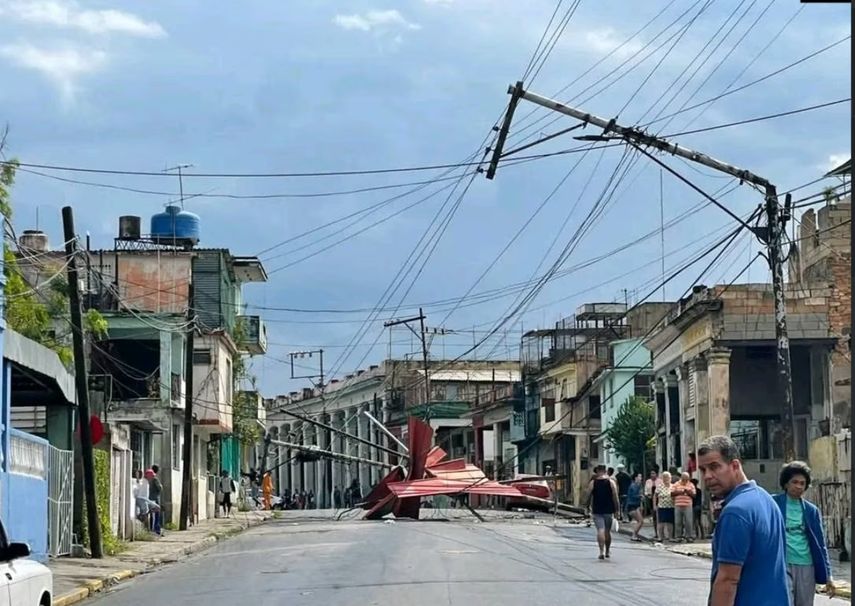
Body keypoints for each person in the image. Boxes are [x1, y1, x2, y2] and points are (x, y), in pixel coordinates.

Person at [698, 435, 789, 606]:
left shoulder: (735, 512)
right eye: (703, 470)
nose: (707, 476)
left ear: (735, 465)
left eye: (714, 467)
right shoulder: (766, 499)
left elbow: (727, 581)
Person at [773, 461, 836, 605]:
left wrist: (828, 575)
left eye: (802, 483)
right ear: (786, 483)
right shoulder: (773, 503)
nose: (798, 486)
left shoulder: (811, 510)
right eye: (794, 482)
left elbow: (820, 544)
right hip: (782, 563)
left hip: (806, 565)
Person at [586, 464, 620, 560]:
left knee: (600, 529)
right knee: (607, 531)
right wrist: (617, 509)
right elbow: (615, 496)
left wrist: (586, 506)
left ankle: (601, 551)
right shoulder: (611, 482)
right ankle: (608, 551)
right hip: (609, 509)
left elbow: (587, 495)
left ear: (597, 471)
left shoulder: (593, 482)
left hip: (597, 509)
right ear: (605, 471)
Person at [672, 472, 696, 542]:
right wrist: (680, 492)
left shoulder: (691, 484)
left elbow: (694, 495)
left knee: (688, 521)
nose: (685, 481)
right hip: (678, 505)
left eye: (686, 479)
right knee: (678, 522)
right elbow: (671, 493)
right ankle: (678, 537)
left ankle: (689, 536)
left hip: (688, 505)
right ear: (681, 478)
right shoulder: (676, 484)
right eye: (684, 479)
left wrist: (688, 492)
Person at [654, 471, 675, 542]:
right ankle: (660, 537)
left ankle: (670, 537)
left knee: (670, 522)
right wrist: (654, 505)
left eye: (668, 477)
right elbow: (655, 496)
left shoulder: (673, 486)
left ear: (670, 478)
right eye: (664, 477)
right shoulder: (659, 486)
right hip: (661, 506)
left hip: (671, 506)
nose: (666, 479)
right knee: (661, 522)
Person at [625, 472, 644, 541]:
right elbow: (633, 496)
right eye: (640, 476)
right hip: (632, 506)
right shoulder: (633, 486)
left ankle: (635, 535)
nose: (641, 478)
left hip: (635, 506)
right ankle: (634, 535)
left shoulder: (637, 485)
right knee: (640, 521)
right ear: (636, 478)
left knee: (640, 521)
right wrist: (640, 496)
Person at [148, 465, 163, 535]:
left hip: (149, 498)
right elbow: (160, 488)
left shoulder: (148, 479)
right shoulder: (155, 479)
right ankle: (157, 529)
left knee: (151, 514)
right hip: (155, 498)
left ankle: (151, 528)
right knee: (157, 513)